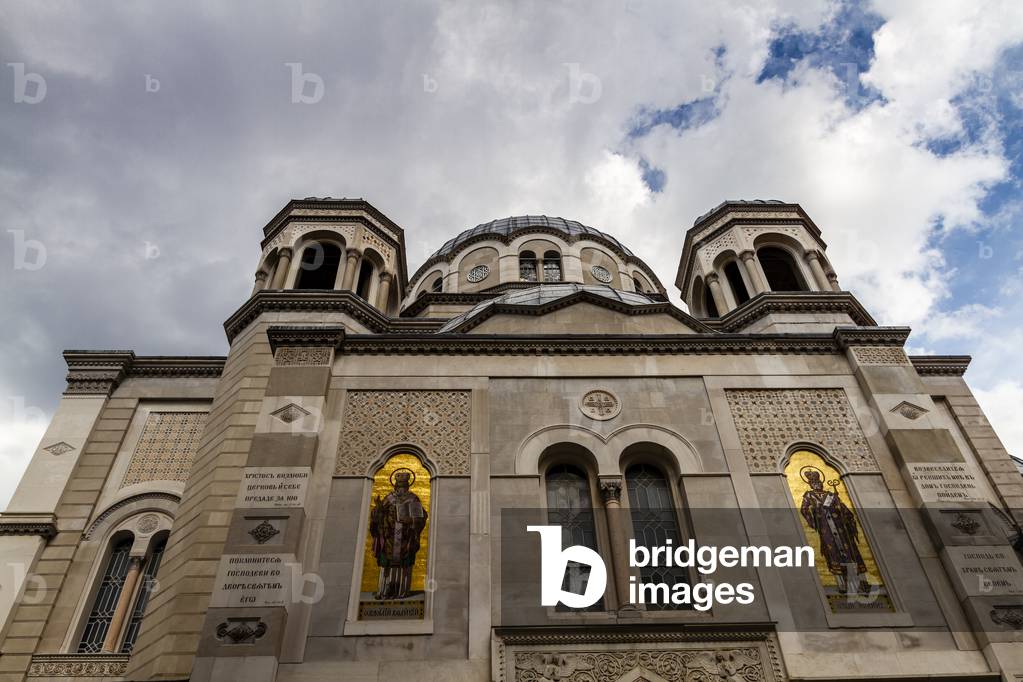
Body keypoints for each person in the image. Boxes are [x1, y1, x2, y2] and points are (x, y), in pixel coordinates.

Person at [799, 466, 870, 593]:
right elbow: (804, 509)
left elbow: (843, 509)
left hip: (840, 528)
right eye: (813, 483)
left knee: (851, 552)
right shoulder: (809, 495)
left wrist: (845, 515)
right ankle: (842, 584)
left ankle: (861, 582)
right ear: (810, 484)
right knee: (833, 553)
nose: (817, 484)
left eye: (818, 482)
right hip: (826, 528)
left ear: (821, 482)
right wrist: (815, 519)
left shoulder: (831, 495)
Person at [369, 468, 427, 600]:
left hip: (406, 538)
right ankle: (384, 590)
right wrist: (378, 508)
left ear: (407, 486)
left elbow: (420, 517)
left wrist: (411, 520)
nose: (400, 489)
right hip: (389, 536)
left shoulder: (413, 499)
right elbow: (378, 515)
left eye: (403, 486)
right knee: (386, 565)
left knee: (404, 564)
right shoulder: (389, 498)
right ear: (395, 485)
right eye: (398, 486)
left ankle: (402, 591)